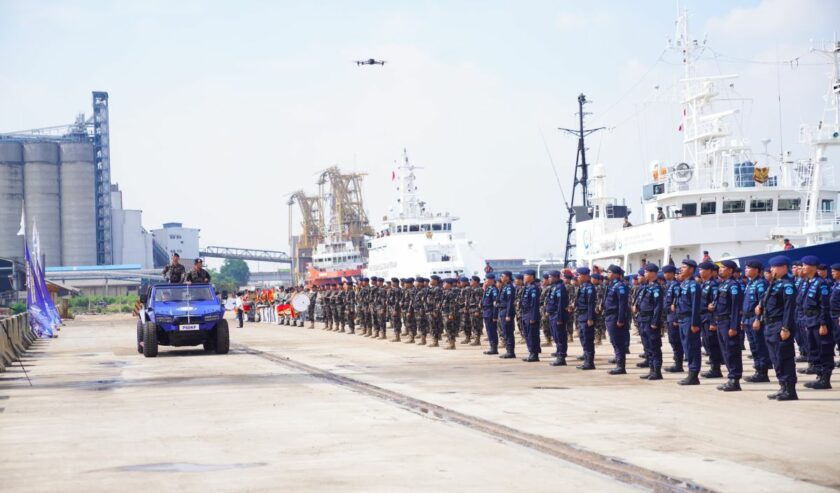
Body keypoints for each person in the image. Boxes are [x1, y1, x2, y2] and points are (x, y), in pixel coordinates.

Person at [759, 256, 799, 401]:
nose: (771, 270)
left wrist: (786, 327)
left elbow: (789, 309)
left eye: (774, 267)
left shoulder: (787, 285)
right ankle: (782, 386)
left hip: (779, 325)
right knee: (775, 358)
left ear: (783, 268)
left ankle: (790, 390)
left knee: (784, 357)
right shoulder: (774, 284)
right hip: (770, 325)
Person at [799, 256, 833, 390]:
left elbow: (825, 306)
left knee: (823, 349)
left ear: (813, 267)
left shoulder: (821, 283)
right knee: (814, 350)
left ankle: (825, 379)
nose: (802, 268)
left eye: (805, 265)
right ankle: (819, 376)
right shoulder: (807, 282)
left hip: (819, 322)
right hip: (809, 321)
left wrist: (823, 324)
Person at [713, 260, 743, 391]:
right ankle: (730, 377)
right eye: (720, 268)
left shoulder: (733, 286)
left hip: (728, 322)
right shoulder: (722, 284)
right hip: (720, 321)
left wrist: (733, 326)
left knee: (732, 351)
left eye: (723, 268)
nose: (720, 270)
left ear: (730, 270)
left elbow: (736, 308)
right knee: (725, 351)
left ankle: (735, 379)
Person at [742, 260, 771, 383]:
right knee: (753, 346)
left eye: (749, 268)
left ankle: (763, 372)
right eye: (746, 268)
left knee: (760, 346)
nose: (746, 270)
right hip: (748, 318)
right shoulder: (750, 284)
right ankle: (757, 370)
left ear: (757, 270)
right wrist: (743, 320)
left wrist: (758, 319)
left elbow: (762, 304)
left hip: (755, 319)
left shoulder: (761, 284)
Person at [676, 259, 703, 385]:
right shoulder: (683, 284)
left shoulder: (693, 285)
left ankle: (693, 374)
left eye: (684, 267)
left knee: (692, 347)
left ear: (691, 269)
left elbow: (695, 306)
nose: (681, 269)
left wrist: (694, 323)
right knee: (686, 346)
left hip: (689, 319)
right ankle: (690, 373)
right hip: (682, 319)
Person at [637, 264, 664, 380]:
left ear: (653, 273)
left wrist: (655, 322)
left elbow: (658, 307)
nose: (645, 274)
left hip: (650, 320)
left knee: (654, 346)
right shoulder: (647, 287)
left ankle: (657, 371)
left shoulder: (657, 288)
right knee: (647, 346)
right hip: (643, 319)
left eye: (647, 272)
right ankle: (651, 369)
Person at [603, 265, 630, 375]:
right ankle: (618, 363)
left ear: (616, 274)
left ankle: (621, 366)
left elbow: (622, 304)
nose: (608, 274)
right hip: (610, 316)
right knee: (614, 341)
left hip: (615, 317)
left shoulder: (620, 286)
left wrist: (620, 319)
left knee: (618, 342)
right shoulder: (612, 285)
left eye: (609, 272)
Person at [575, 267, 596, 370]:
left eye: (579, 275)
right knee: (583, 339)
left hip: (586, 316)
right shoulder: (582, 287)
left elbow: (591, 304)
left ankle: (589, 362)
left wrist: (590, 318)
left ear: (585, 275)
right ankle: (586, 360)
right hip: (581, 315)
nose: (577, 277)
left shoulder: (589, 288)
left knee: (588, 340)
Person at [545, 270, 568, 366]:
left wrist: (559, 318)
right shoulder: (554, 287)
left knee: (560, 337)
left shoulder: (560, 288)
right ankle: (559, 353)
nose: (549, 279)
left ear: (556, 277)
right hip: (552, 315)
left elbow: (560, 304)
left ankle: (561, 357)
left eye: (550, 277)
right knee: (555, 336)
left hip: (557, 315)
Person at [520, 269, 541, 362]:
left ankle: (534, 354)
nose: (524, 277)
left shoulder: (534, 288)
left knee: (532, 335)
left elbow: (534, 304)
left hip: (530, 314)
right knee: (527, 334)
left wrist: (533, 317)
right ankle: (531, 352)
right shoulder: (527, 287)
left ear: (531, 277)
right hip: (525, 314)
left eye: (526, 275)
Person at [497, 271, 517, 359]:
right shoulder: (504, 286)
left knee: (508, 332)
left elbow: (510, 302)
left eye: (503, 276)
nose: (501, 277)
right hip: (502, 311)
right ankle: (508, 350)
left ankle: (510, 352)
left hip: (506, 311)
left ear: (508, 277)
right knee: (505, 332)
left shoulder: (509, 287)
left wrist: (508, 314)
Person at [481, 273, 499, 355]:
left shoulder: (494, 289)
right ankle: (492, 347)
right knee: (489, 330)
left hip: (490, 312)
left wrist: (495, 315)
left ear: (491, 280)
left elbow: (495, 303)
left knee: (492, 331)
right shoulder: (488, 289)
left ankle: (494, 348)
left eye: (486, 279)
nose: (485, 281)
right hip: (486, 311)